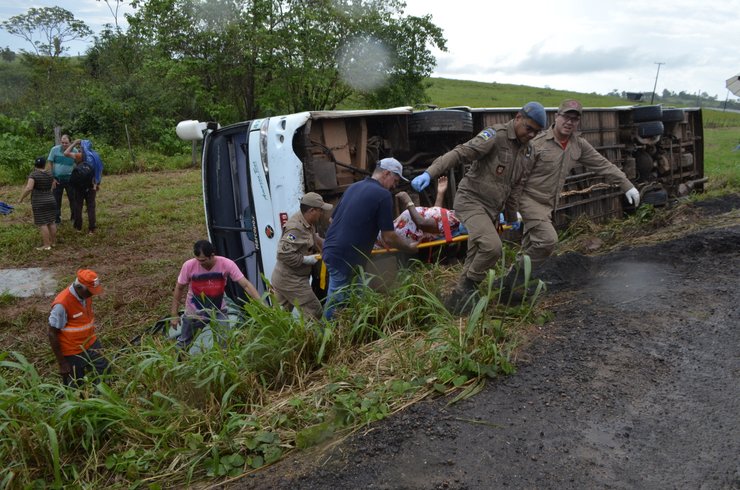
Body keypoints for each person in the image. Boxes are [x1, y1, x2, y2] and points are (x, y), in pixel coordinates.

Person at [411, 102, 546, 312]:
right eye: (529, 128)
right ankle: (469, 286)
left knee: (475, 255)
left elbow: (516, 187)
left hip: (491, 210)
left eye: (536, 132)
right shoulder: (495, 135)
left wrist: (511, 216)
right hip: (471, 201)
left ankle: (457, 303)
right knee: (492, 248)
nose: (531, 135)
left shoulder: (528, 153)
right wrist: (430, 172)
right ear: (518, 117)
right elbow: (460, 153)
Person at [511, 99, 640, 291]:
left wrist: (626, 184)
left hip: (548, 204)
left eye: (574, 119)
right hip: (529, 200)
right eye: (566, 117)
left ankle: (512, 286)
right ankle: (515, 278)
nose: (569, 122)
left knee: (533, 245)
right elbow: (516, 175)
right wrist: (513, 207)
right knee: (548, 240)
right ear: (557, 116)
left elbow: (602, 164)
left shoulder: (577, 145)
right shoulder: (537, 143)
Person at [322, 158, 419, 320]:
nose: (394, 185)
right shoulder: (383, 195)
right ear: (386, 173)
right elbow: (389, 237)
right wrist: (409, 246)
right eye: (395, 180)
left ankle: (357, 330)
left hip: (335, 250)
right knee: (336, 301)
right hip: (344, 256)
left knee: (359, 295)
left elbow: (332, 221)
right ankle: (322, 336)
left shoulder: (354, 187)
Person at [170, 240, 262, 350]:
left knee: (226, 342)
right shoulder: (189, 266)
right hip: (194, 312)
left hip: (218, 311)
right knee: (184, 343)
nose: (200, 263)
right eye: (198, 260)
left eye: (203, 260)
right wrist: (174, 315)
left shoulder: (226, 264)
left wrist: (261, 304)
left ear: (212, 255)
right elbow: (179, 288)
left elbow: (246, 285)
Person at [271, 192, 333, 320]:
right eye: (320, 210)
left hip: (285, 278)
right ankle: (310, 338)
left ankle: (288, 338)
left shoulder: (308, 222)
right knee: (314, 310)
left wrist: (326, 248)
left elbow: (313, 239)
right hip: (291, 279)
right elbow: (283, 254)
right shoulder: (296, 228)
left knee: (279, 318)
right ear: (311, 210)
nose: (322, 213)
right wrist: (305, 260)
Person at [48, 269, 110, 386]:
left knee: (105, 371)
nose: (92, 294)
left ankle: (102, 398)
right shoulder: (62, 304)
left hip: (91, 342)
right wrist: (62, 363)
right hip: (72, 350)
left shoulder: (85, 295)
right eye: (90, 291)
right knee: (76, 384)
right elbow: (52, 333)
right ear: (79, 287)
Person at [376, 176, 467, 247]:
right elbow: (436, 218)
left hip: (392, 236)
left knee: (372, 239)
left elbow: (422, 223)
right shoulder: (452, 219)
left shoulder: (453, 221)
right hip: (393, 231)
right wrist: (440, 193)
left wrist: (408, 201)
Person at [64, 139, 103, 234]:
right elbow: (99, 170)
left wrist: (74, 143)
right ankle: (92, 229)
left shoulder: (79, 156)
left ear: (81, 147)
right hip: (91, 185)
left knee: (78, 206)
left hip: (79, 186)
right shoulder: (95, 156)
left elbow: (66, 153)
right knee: (91, 207)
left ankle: (78, 227)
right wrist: (97, 184)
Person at [19, 156, 57, 250]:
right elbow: (53, 186)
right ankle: (53, 242)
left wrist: (21, 198)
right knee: (51, 222)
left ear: (35, 165)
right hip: (51, 199)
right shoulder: (50, 173)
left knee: (42, 223)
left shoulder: (34, 175)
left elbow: (29, 188)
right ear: (44, 164)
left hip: (39, 202)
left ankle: (46, 245)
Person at [46, 134, 77, 224]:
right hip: (57, 179)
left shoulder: (74, 151)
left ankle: (74, 218)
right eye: (62, 142)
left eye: (66, 143)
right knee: (56, 200)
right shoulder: (54, 150)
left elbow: (78, 164)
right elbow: (50, 163)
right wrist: (52, 178)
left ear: (70, 142)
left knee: (73, 199)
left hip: (70, 179)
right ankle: (57, 219)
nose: (64, 144)